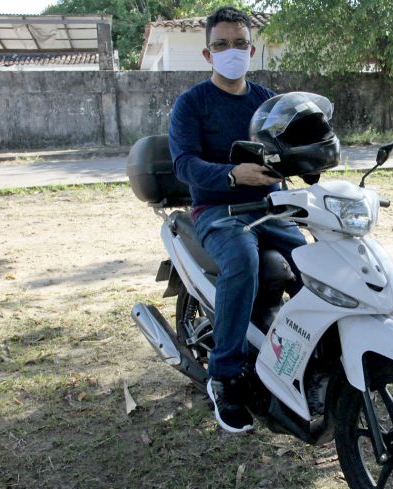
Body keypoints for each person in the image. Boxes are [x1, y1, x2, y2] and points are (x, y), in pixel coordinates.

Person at [168, 6, 307, 433]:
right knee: (243, 260)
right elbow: (184, 164)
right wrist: (231, 174)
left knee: (311, 260)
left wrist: (312, 155)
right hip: (217, 211)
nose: (233, 52)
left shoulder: (266, 101)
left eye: (240, 44)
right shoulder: (192, 104)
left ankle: (305, 352)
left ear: (252, 49)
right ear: (208, 55)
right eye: (222, 45)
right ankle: (225, 376)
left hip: (268, 206)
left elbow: (293, 146)